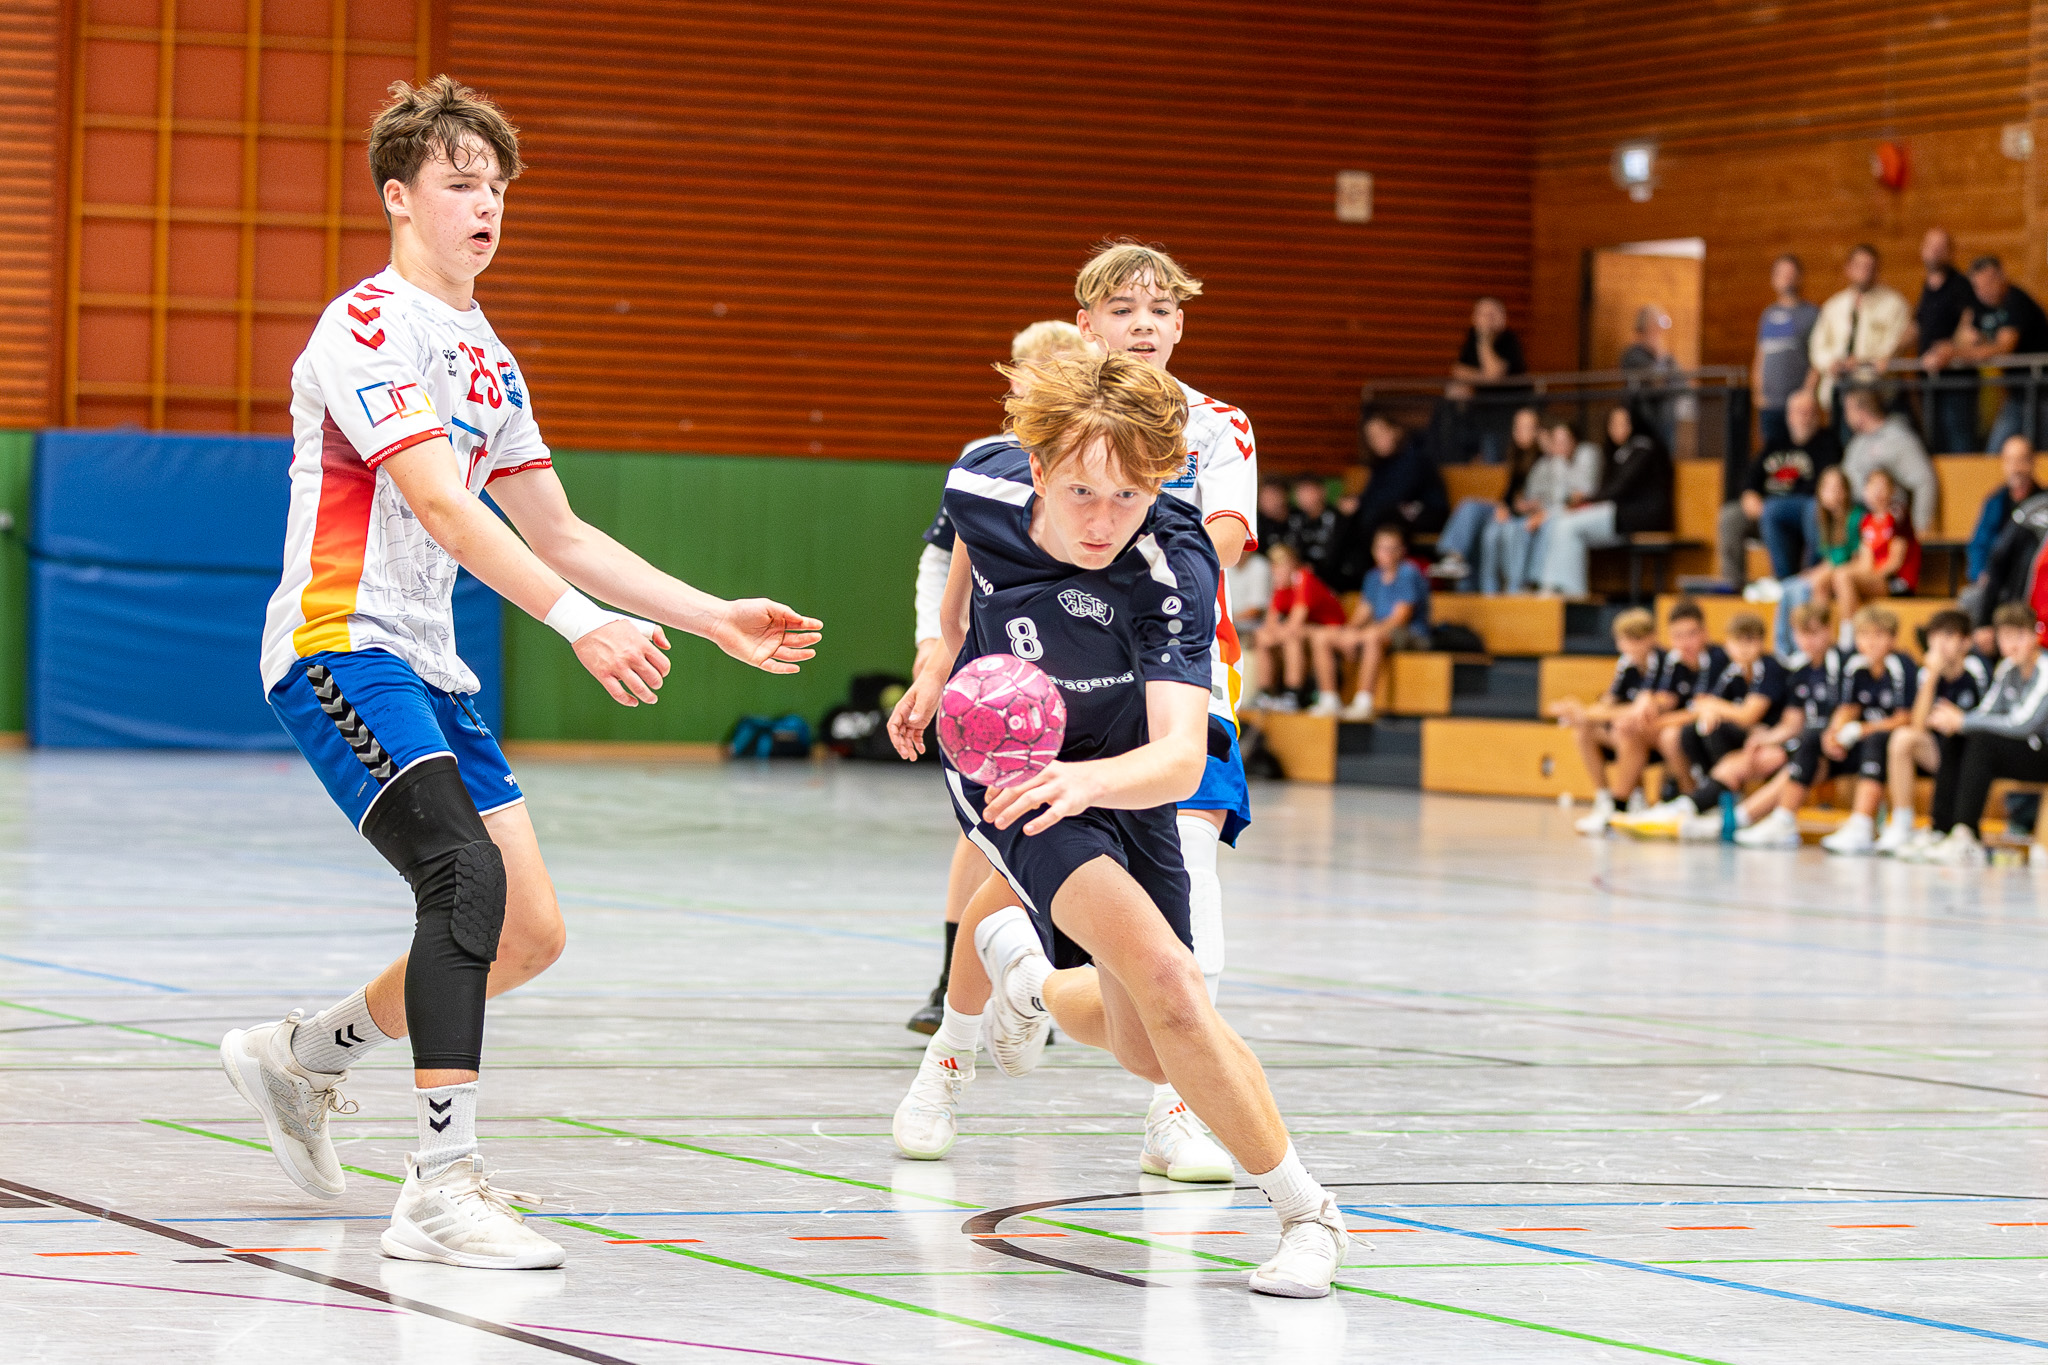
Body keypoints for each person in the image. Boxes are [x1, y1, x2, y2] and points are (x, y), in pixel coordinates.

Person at [225, 77, 823, 1270]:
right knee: (461, 877)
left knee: (530, 933)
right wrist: (576, 624)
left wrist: (710, 619)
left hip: (430, 664)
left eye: (494, 185)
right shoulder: (363, 328)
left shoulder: (488, 355)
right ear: (399, 198)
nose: (483, 203)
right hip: (343, 643)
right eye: (457, 183)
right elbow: (443, 507)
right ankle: (442, 1185)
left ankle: (300, 1061)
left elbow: (557, 530)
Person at [885, 351, 1352, 1298]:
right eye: (1083, 492)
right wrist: (939, 660)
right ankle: (1310, 1214)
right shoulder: (981, 473)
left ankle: (1024, 973)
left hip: (1123, 766)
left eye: (1131, 494)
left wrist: (1092, 779)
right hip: (1012, 768)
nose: (1104, 520)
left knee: (1151, 1039)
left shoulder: (1169, 560)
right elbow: (965, 560)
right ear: (1040, 467)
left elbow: (1181, 755)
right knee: (1176, 981)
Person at [906, 320, 1095, 1036]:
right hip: (998, 673)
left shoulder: (1099, 466)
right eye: (1032, 372)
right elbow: (941, 560)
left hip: (1084, 676)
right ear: (1014, 381)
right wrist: (934, 647)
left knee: (1073, 823)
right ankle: (951, 982)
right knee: (988, 830)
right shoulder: (985, 463)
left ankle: (1048, 982)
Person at [1737, 606, 1913, 850]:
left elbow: (1906, 718)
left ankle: (1861, 824)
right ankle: (1784, 819)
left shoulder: (1899, 665)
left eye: (1879, 635)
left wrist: (1863, 729)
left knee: (1877, 739)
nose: (1871, 643)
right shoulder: (1855, 666)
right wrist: (1834, 732)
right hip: (1858, 743)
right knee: (1811, 739)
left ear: (1892, 638)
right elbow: (1847, 708)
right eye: (1865, 636)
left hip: (1888, 747)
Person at [1679, 606, 1838, 842]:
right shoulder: (1799, 670)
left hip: (1832, 742)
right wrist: (1764, 738)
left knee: (1792, 756)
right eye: (1802, 634)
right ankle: (1698, 804)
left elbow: (1848, 709)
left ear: (1829, 631)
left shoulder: (1841, 664)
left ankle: (1743, 818)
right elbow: (1793, 723)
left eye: (1814, 633)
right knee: (1735, 755)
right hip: (1805, 741)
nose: (1808, 641)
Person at [1619, 611, 1785, 831]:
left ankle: (1702, 801)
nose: (1744, 648)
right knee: (1697, 729)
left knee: (1711, 729)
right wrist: (1709, 710)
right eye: (1738, 641)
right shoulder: (1733, 672)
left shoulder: (1768, 667)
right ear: (1728, 645)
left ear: (1762, 643)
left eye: (1751, 640)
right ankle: (1705, 797)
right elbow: (1703, 704)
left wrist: (1714, 707)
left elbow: (1747, 715)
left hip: (1770, 739)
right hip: (1748, 736)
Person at [1913, 603, 2048, 865]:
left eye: (2018, 636)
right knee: (1960, 736)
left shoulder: (2045, 670)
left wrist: (1963, 720)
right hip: (2024, 751)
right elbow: (1986, 713)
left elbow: (2024, 724)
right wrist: (1957, 722)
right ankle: (1942, 828)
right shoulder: (2007, 669)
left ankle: (1966, 834)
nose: (2012, 645)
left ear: (2034, 636)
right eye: (2005, 637)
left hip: (2042, 751)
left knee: (1979, 739)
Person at [1875, 610, 1991, 856]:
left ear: (1966, 642)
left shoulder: (1977, 669)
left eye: (1948, 635)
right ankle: (1902, 822)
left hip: (1972, 758)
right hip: (1939, 754)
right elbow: (1918, 727)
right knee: (1903, 738)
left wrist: (1958, 719)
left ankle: (1956, 829)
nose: (1939, 643)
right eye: (1934, 636)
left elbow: (1987, 718)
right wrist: (1931, 678)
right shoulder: (1926, 672)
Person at [1536, 404, 1673, 597]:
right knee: (1560, 521)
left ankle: (1574, 594)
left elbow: (1620, 488)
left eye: (1624, 423)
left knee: (1569, 526)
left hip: (1642, 515)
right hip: (1620, 512)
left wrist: (1587, 499)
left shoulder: (1644, 448)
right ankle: (1552, 585)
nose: (1619, 429)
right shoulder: (1618, 452)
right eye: (1613, 424)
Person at [1549, 607, 1663, 835]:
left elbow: (1639, 710)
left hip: (1656, 733)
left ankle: (1629, 800)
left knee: (1625, 728)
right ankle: (1604, 797)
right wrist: (1579, 712)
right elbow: (1608, 704)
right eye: (1625, 641)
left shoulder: (1662, 663)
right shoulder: (1626, 664)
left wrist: (1585, 711)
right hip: (1629, 731)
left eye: (1636, 639)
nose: (1630, 647)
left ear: (1651, 638)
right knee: (1585, 728)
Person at [1719, 388, 1840, 586]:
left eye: (1810, 412)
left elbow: (1824, 487)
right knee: (1730, 516)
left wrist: (1771, 507)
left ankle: (1793, 580)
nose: (1805, 417)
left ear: (1818, 415)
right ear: (1789, 416)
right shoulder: (1776, 443)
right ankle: (1732, 585)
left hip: (1805, 508)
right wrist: (1750, 495)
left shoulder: (1826, 443)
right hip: (1766, 509)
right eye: (1800, 412)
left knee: (1791, 509)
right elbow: (1751, 479)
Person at [1321, 523, 1431, 722]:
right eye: (1381, 548)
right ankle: (1329, 699)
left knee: (1372, 637)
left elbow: (1401, 617)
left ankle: (1364, 702)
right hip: (1380, 631)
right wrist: (1349, 633)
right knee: (1323, 637)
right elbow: (1364, 612)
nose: (1385, 553)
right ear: (1374, 550)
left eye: (1391, 548)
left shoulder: (1408, 573)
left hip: (1411, 634)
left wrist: (1364, 634)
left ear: (1401, 551)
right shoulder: (1373, 577)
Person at [1477, 417, 1598, 593]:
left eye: (1564, 441)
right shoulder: (1544, 464)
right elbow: (1530, 494)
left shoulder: (1584, 456)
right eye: (1556, 441)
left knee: (1536, 527)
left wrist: (1545, 511)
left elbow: (1575, 495)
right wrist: (1529, 506)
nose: (1559, 446)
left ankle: (1533, 584)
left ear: (1574, 441)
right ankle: (1509, 587)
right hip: (1540, 513)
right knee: (1507, 529)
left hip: (1567, 514)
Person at [1632, 599, 1727, 814]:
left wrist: (1659, 721)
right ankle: (1629, 800)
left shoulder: (1717, 660)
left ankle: (1692, 800)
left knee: (1670, 736)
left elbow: (1702, 709)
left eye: (1691, 634)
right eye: (1677, 636)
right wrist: (1647, 700)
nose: (1685, 642)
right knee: (1631, 727)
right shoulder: (1673, 662)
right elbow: (1666, 698)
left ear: (1705, 633)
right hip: (1688, 729)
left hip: (1717, 729)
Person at [1807, 243, 1910, 438]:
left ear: (1877, 269)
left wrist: (1862, 361)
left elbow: (1895, 347)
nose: (1865, 271)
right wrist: (1832, 362)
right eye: (1859, 266)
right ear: (1849, 269)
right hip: (1839, 391)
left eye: (1870, 266)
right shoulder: (1834, 305)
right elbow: (1817, 347)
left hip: (1876, 393)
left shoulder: (1893, 304)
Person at [1338, 408, 1448, 587]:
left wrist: (1361, 503)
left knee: (1375, 517)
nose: (1377, 441)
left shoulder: (1414, 457)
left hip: (1427, 514)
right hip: (1397, 513)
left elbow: (1397, 494)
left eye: (1381, 433)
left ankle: (1367, 576)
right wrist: (1355, 501)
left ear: (1395, 430)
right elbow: (1372, 495)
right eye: (1371, 437)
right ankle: (1343, 573)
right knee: (1350, 516)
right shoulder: (1381, 465)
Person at [1435, 405, 1541, 585]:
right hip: (1509, 512)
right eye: (1517, 427)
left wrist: (1513, 508)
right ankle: (1454, 558)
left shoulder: (1543, 458)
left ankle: (1457, 560)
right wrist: (1503, 507)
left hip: (1525, 518)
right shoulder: (1516, 456)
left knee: (1488, 526)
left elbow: (1539, 500)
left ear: (1538, 430)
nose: (1521, 432)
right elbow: (1508, 496)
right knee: (1470, 506)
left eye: (1527, 427)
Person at [1952, 255, 2048, 452]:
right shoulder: (1980, 307)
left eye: (1987, 284)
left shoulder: (2017, 301)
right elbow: (1962, 335)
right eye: (1977, 287)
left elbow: (2005, 346)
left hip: (2041, 391)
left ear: (2001, 278)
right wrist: (1964, 340)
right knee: (1995, 451)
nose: (1983, 292)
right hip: (2017, 393)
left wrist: (1958, 352)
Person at [1904, 228, 1980, 454]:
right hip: (1930, 382)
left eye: (1941, 247)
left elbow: (1969, 326)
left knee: (1959, 446)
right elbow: (1917, 326)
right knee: (1934, 445)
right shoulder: (1927, 287)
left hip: (1955, 382)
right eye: (1931, 246)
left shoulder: (1960, 285)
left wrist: (1949, 350)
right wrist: (1888, 355)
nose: (1935, 252)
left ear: (1950, 252)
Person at [1249, 541, 1346, 712]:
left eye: (1281, 566)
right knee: (1262, 636)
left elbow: (1295, 622)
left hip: (1331, 629)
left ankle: (1292, 694)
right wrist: (1269, 634)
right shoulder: (1281, 585)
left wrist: (1276, 633)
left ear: (1292, 565)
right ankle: (1265, 694)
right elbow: (1270, 623)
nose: (1276, 571)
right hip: (1308, 629)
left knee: (1291, 636)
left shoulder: (1303, 577)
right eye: (1274, 566)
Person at [1771, 464, 1856, 657]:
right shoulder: (1824, 519)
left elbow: (1846, 557)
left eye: (1836, 488)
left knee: (1805, 588)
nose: (1831, 493)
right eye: (1826, 488)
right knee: (1787, 587)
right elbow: (1828, 556)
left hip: (1846, 571)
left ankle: (1805, 645)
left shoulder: (1853, 516)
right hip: (1830, 570)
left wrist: (1820, 571)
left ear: (1845, 491)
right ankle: (1784, 650)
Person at [1828, 466, 1919, 632]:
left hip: (1897, 581)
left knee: (1843, 577)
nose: (1877, 492)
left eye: (1882, 487)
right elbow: (1866, 560)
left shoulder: (1898, 515)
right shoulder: (1866, 520)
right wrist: (1861, 574)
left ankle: (1848, 636)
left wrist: (1869, 577)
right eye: (1872, 486)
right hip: (1876, 577)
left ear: (1892, 491)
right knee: (1840, 574)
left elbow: (1895, 562)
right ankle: (1852, 633)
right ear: (1865, 491)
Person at [1839, 386, 1938, 538]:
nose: (1845, 418)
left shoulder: (1898, 438)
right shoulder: (1857, 442)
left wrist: (1920, 528)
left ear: (1862, 411)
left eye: (1847, 411)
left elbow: (1924, 481)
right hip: (1856, 515)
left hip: (1887, 520)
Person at [1443, 296, 1528, 462]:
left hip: (1506, 411)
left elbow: (1494, 373)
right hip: (1481, 410)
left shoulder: (1508, 339)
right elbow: (1458, 371)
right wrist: (1484, 378)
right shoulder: (1471, 338)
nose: (1486, 319)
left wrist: (1484, 341)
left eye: (1491, 314)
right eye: (1482, 314)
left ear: (1502, 317)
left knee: (1494, 454)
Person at [1753, 253, 1819, 453]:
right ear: (1774, 279)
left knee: (1800, 455)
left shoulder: (1812, 314)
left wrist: (1807, 392)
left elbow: (1818, 359)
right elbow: (1760, 356)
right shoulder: (1768, 315)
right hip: (1770, 403)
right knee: (1773, 456)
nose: (1787, 278)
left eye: (1791, 273)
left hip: (1798, 404)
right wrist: (1757, 392)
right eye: (1782, 274)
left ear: (1800, 277)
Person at [1968, 435, 2042, 587]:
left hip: (2035, 580)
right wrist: (1981, 573)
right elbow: (1979, 544)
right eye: (2010, 461)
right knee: (1969, 600)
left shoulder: (2044, 502)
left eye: (2022, 460)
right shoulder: (1994, 502)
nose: (2016, 468)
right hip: (1997, 579)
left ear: (2032, 462)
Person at [1284, 474, 1342, 585]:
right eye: (1300, 492)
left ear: (1322, 491)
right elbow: (1291, 550)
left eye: (1308, 491)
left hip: (1331, 580)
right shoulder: (1294, 519)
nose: (1304, 496)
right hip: (1300, 578)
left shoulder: (1337, 518)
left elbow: (1336, 556)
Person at [1255, 476, 1291, 555]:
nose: (1267, 501)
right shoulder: (1255, 524)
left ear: (1284, 495)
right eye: (1264, 497)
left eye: (1272, 495)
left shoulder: (1298, 519)